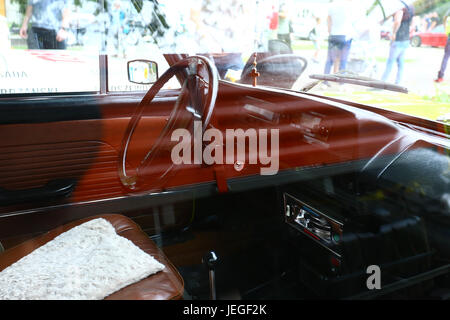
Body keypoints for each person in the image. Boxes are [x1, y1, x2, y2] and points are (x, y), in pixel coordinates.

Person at [381, 1, 415, 85]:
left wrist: (394, 33)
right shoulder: (410, 7)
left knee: (390, 62)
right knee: (400, 63)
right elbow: (412, 24)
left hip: (398, 39)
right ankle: (398, 82)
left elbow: (397, 21)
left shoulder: (400, 7)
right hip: (406, 39)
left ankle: (382, 82)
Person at [324, 0, 355, 74]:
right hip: (345, 36)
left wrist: (330, 31)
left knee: (329, 60)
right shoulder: (349, 5)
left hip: (333, 35)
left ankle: (325, 80)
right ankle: (341, 81)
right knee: (343, 60)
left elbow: (328, 20)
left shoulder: (332, 5)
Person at [435, 9, 450, 83]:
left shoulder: (448, 18)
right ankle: (440, 76)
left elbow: (445, 17)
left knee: (446, 57)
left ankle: (440, 76)